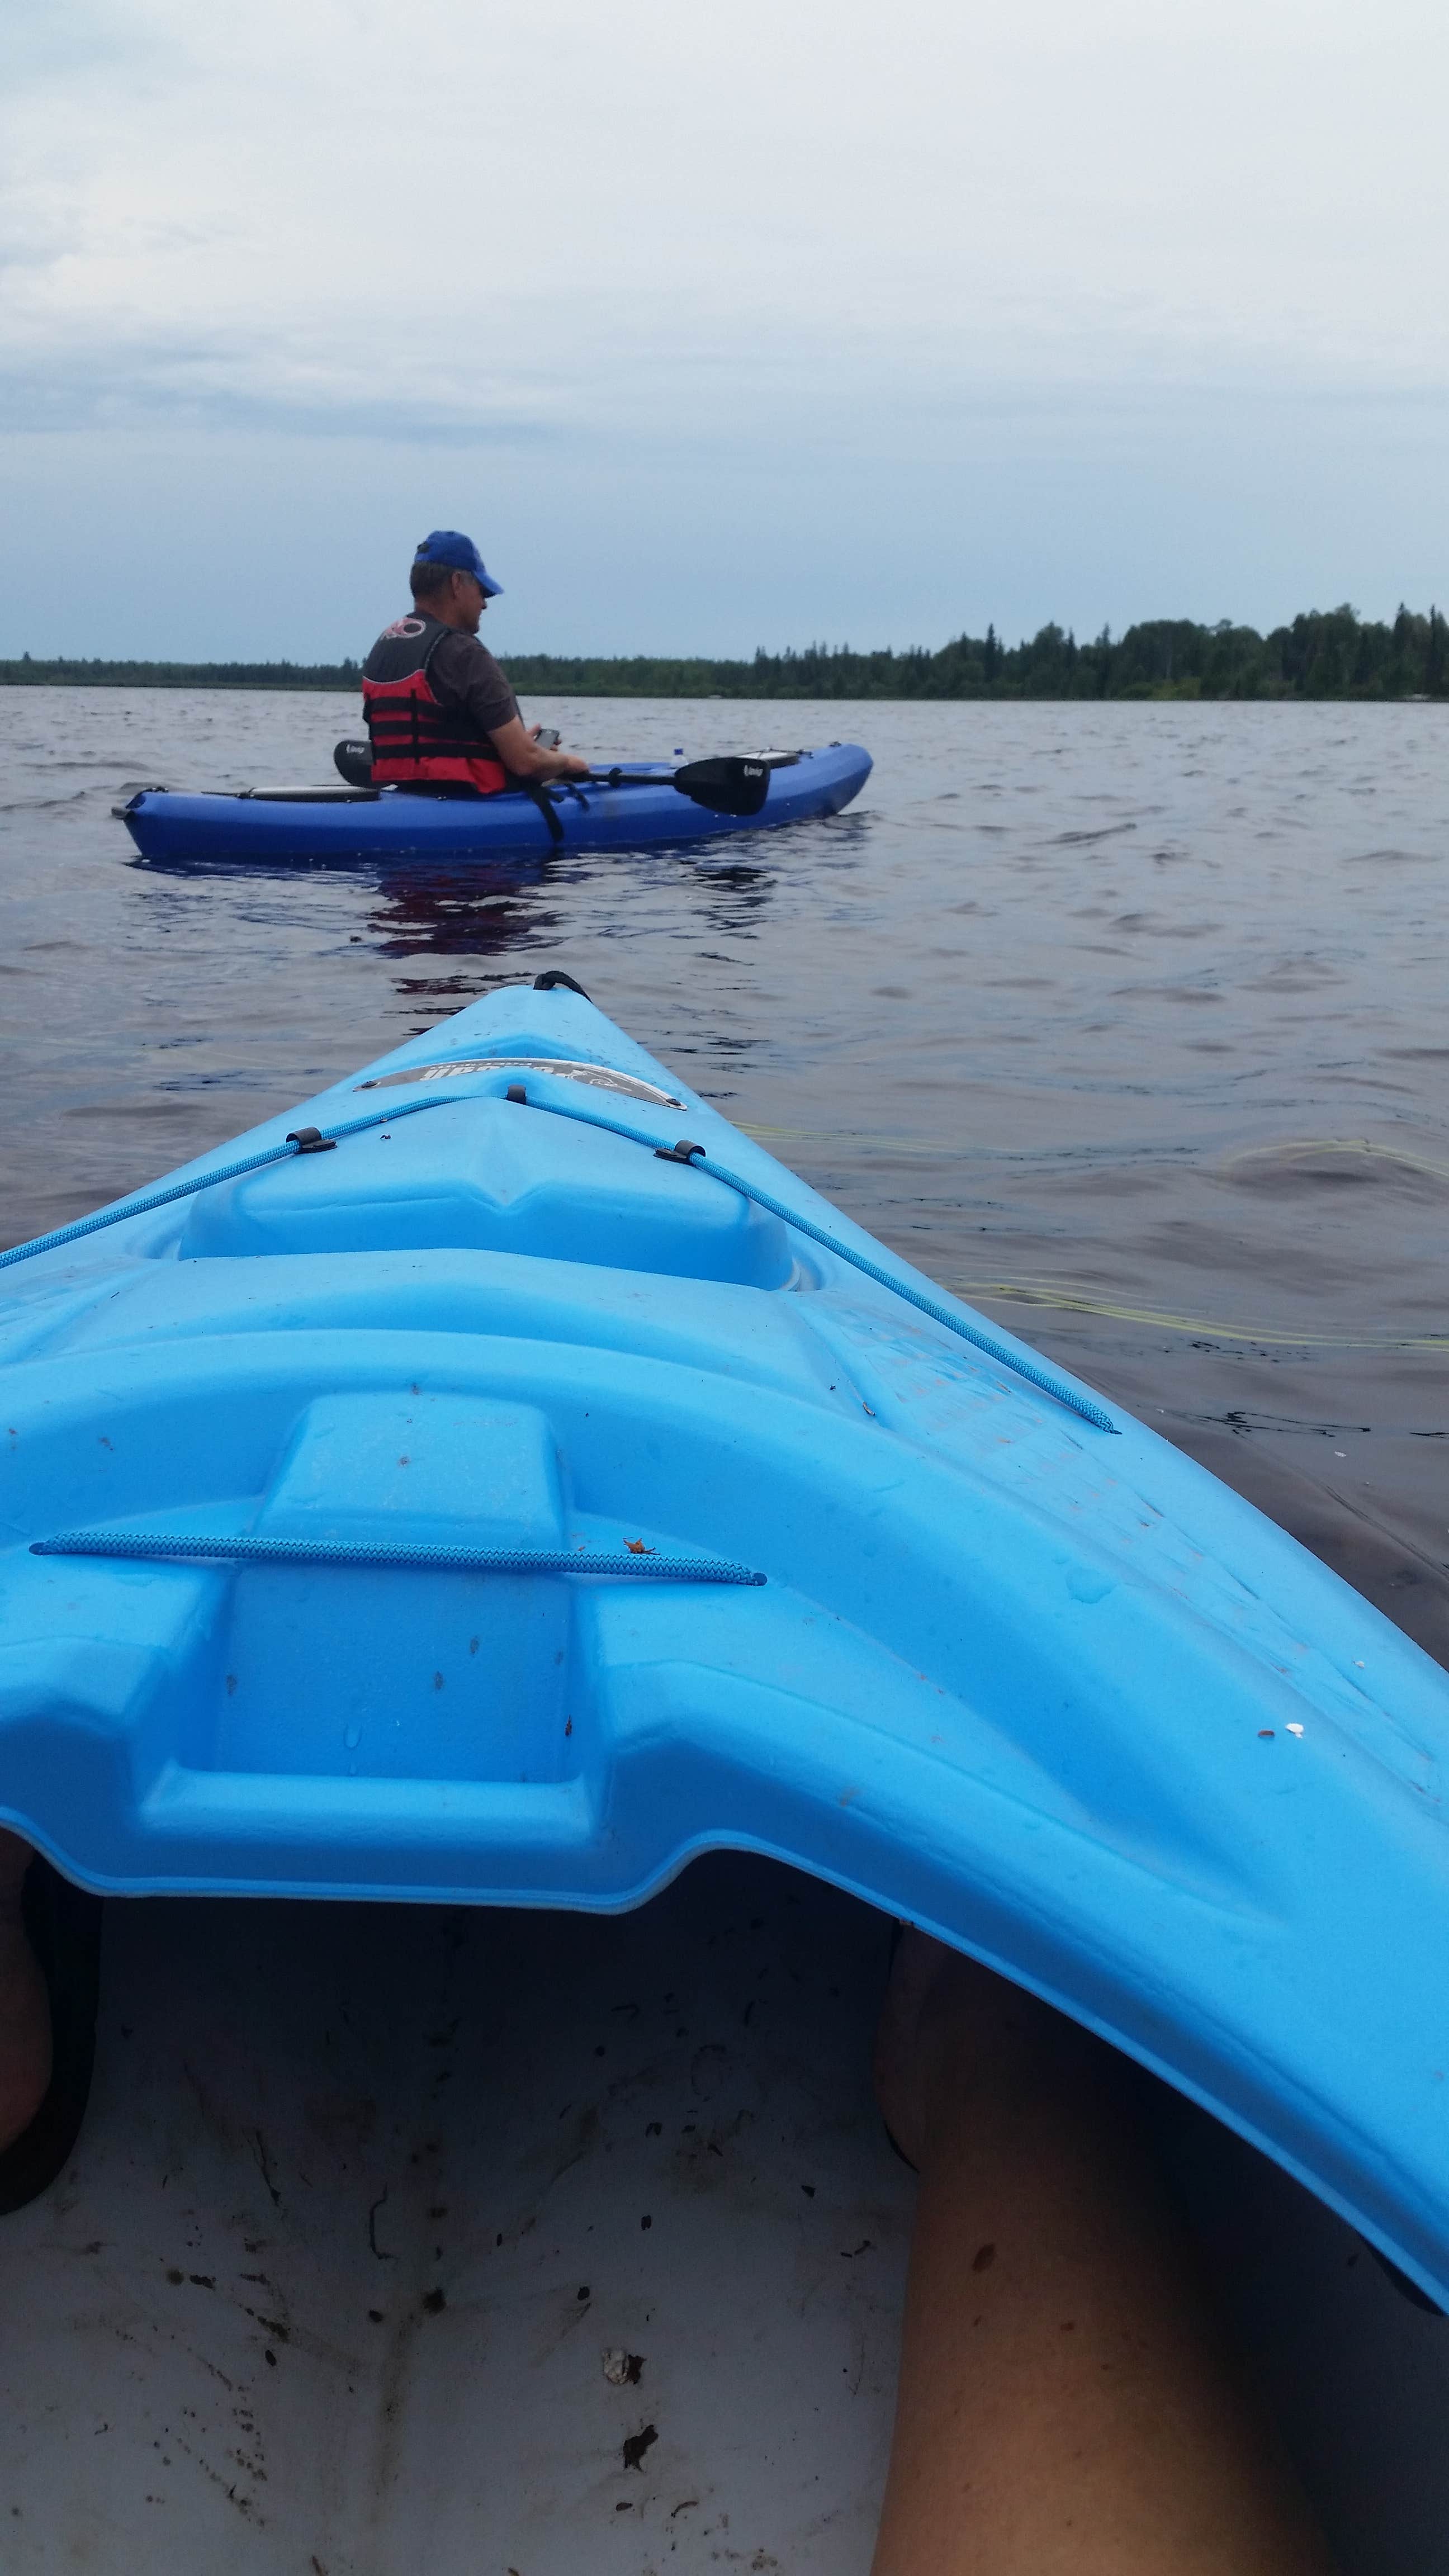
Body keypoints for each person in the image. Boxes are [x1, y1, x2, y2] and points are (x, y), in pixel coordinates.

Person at [361, 531, 591, 795]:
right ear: (457, 583)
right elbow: (526, 764)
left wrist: (515, 748)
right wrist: (568, 763)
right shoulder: (465, 653)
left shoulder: (384, 646)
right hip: (471, 807)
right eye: (482, 591)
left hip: (406, 796)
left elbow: (437, 739)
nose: (484, 604)